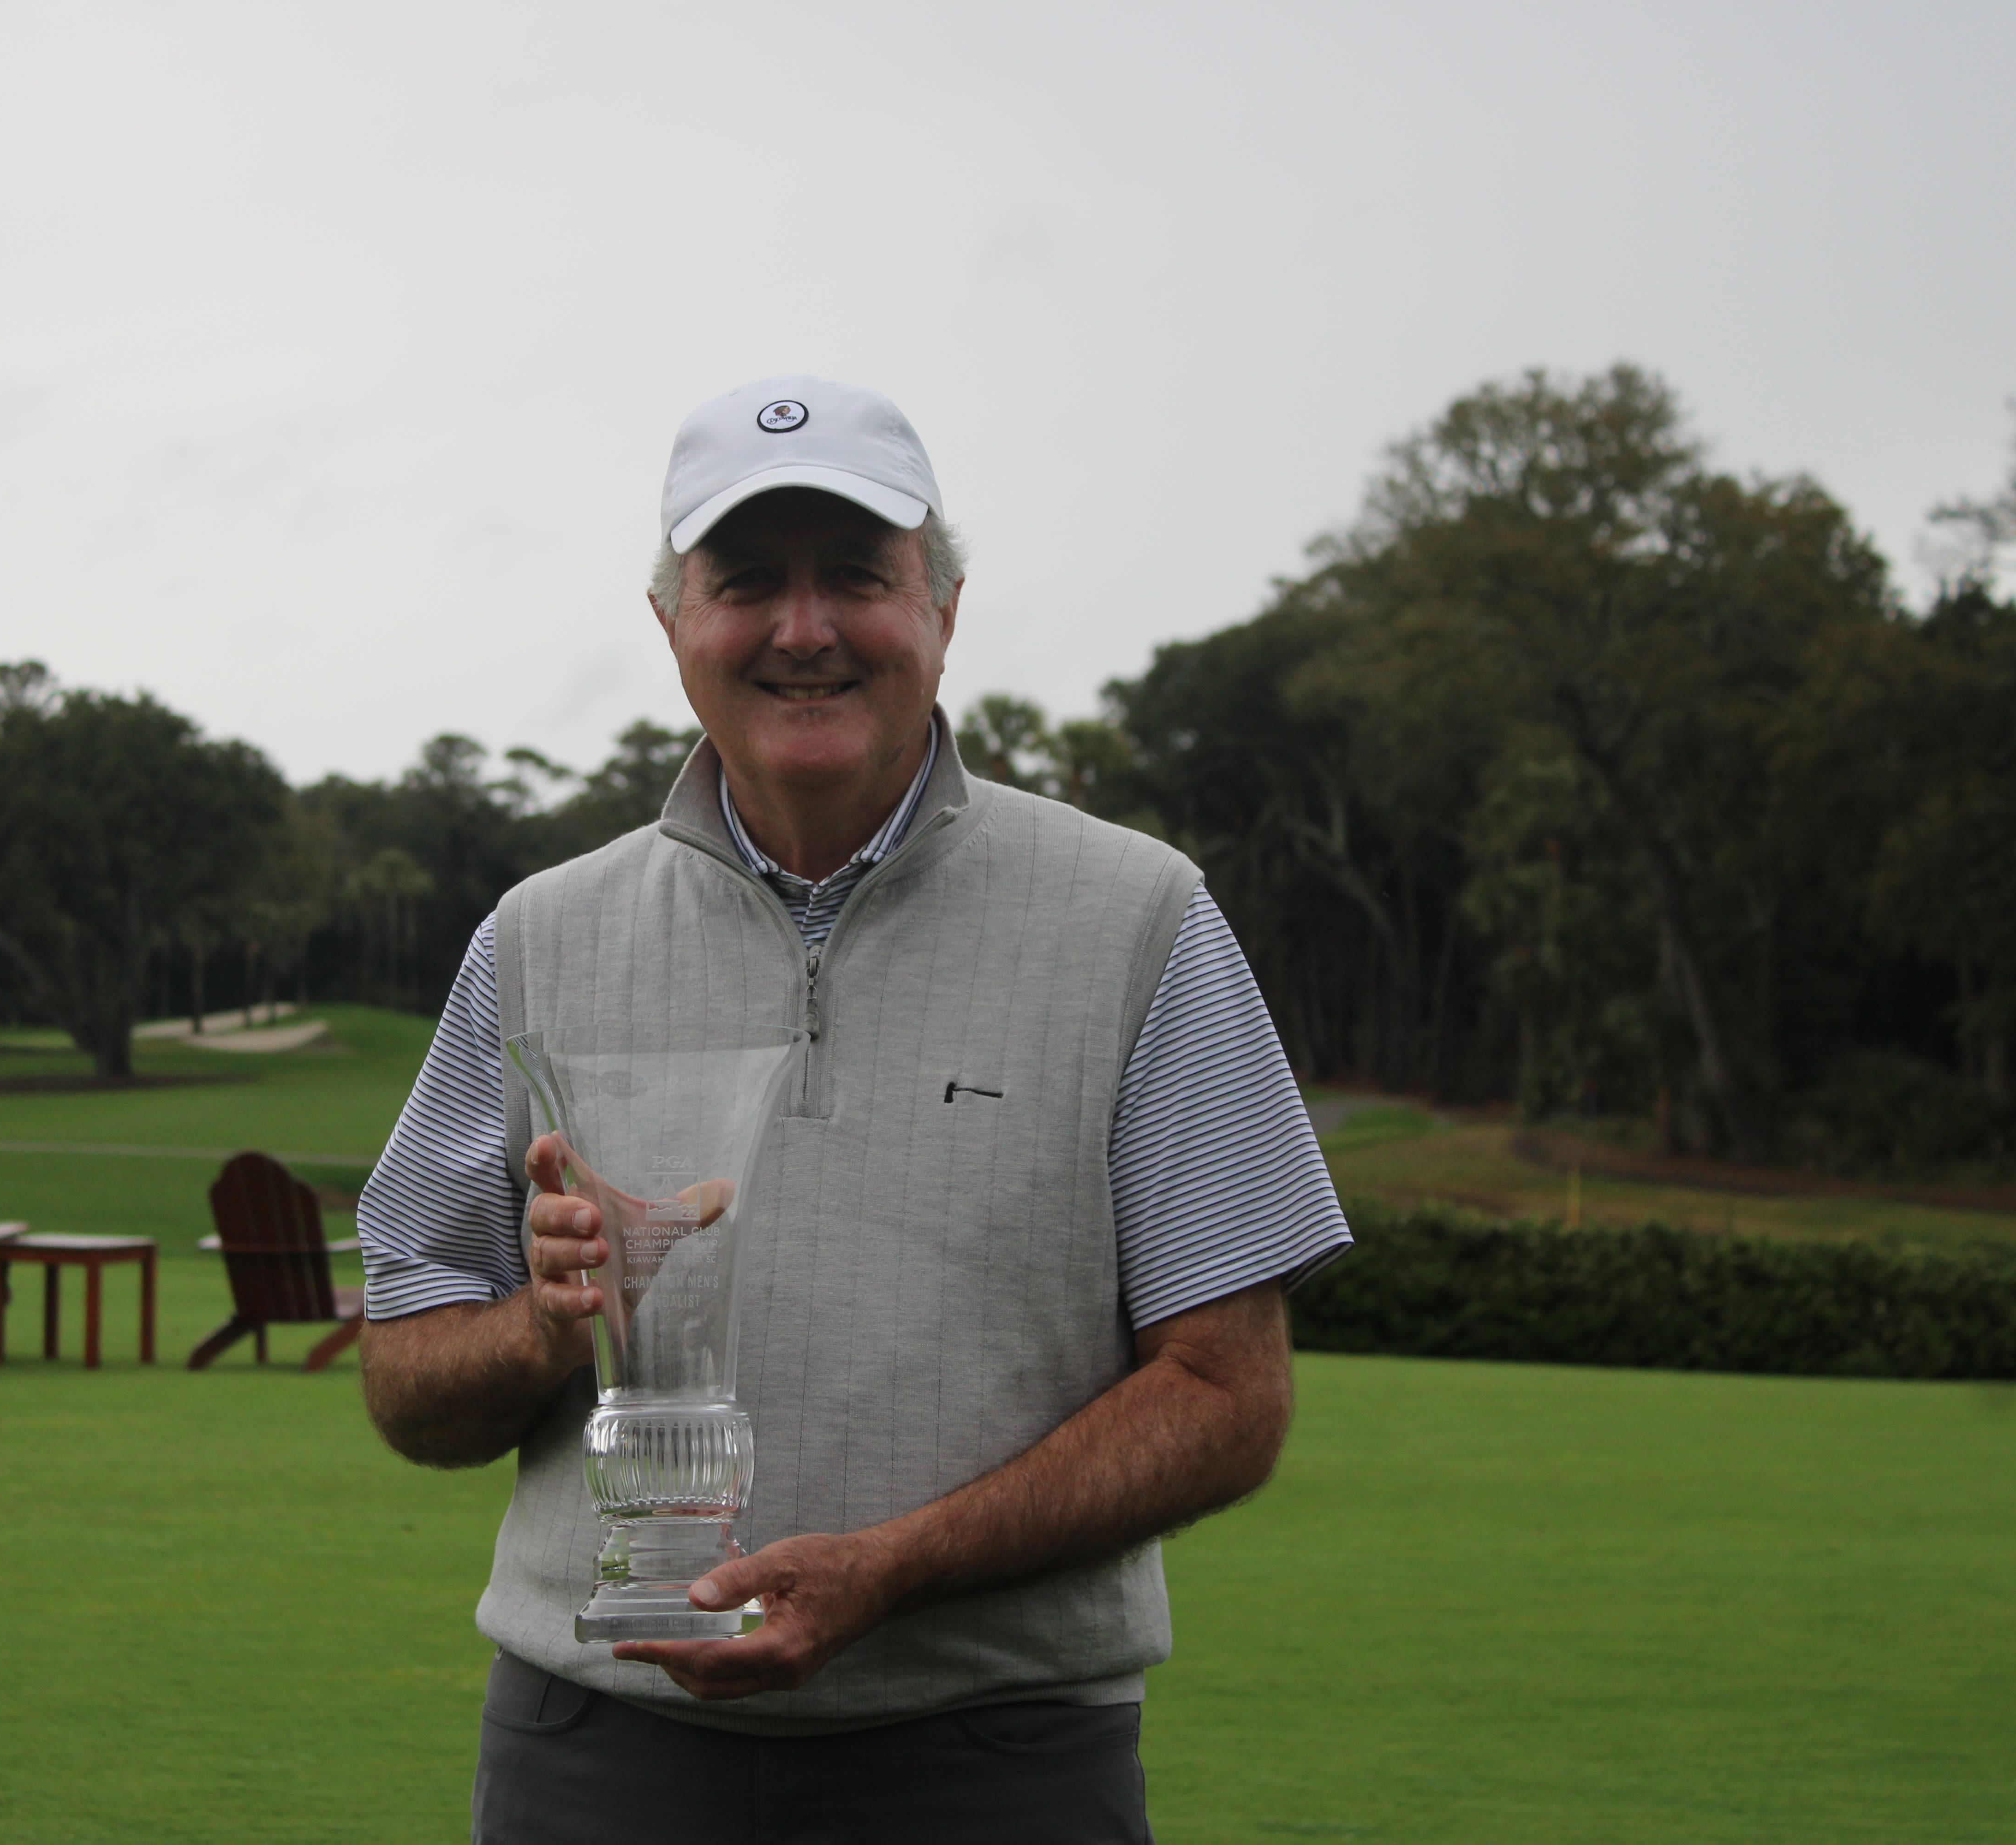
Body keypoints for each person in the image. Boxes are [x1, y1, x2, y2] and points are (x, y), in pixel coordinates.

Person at [356, 376, 1349, 1844]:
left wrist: (894, 1569)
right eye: (747, 580)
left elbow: (1228, 1394)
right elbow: (404, 1375)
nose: (804, 628)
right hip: (600, 1755)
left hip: (996, 1759)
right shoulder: (536, 937)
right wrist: (541, 1317)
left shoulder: (1139, 916)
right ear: (671, 624)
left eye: (860, 578)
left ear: (944, 609)